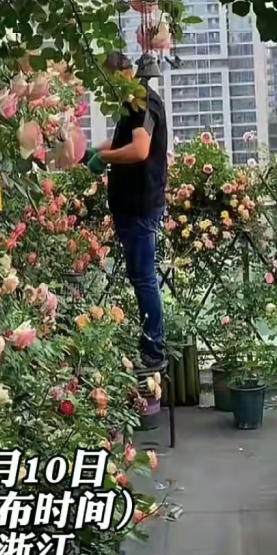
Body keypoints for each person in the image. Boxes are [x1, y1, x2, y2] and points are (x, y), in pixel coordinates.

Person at [96, 52, 167, 370]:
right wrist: (90, 152)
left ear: (122, 74)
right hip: (132, 204)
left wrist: (105, 158)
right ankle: (151, 347)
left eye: (106, 80)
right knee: (142, 278)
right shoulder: (134, 104)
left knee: (144, 278)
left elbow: (139, 150)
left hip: (139, 205)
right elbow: (125, 145)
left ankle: (154, 350)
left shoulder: (141, 102)